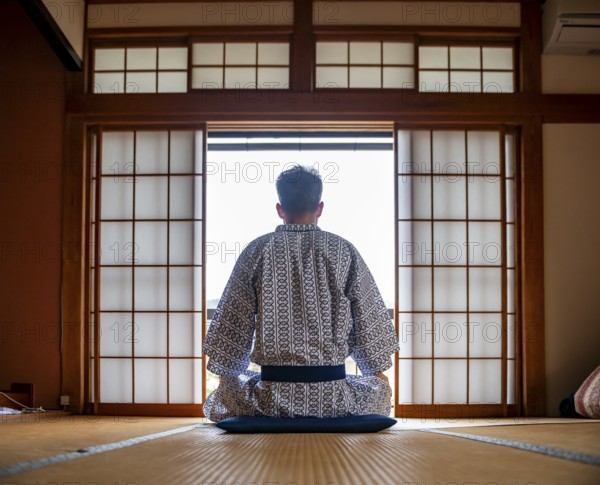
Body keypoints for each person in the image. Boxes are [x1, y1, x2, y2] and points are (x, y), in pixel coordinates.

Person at [203, 164, 398, 421]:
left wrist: (228, 372)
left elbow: (233, 321)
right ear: (320, 208)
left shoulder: (256, 250)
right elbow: (368, 316)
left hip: (269, 398)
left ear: (279, 209)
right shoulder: (343, 250)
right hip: (333, 398)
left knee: (227, 391)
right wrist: (376, 370)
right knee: (378, 390)